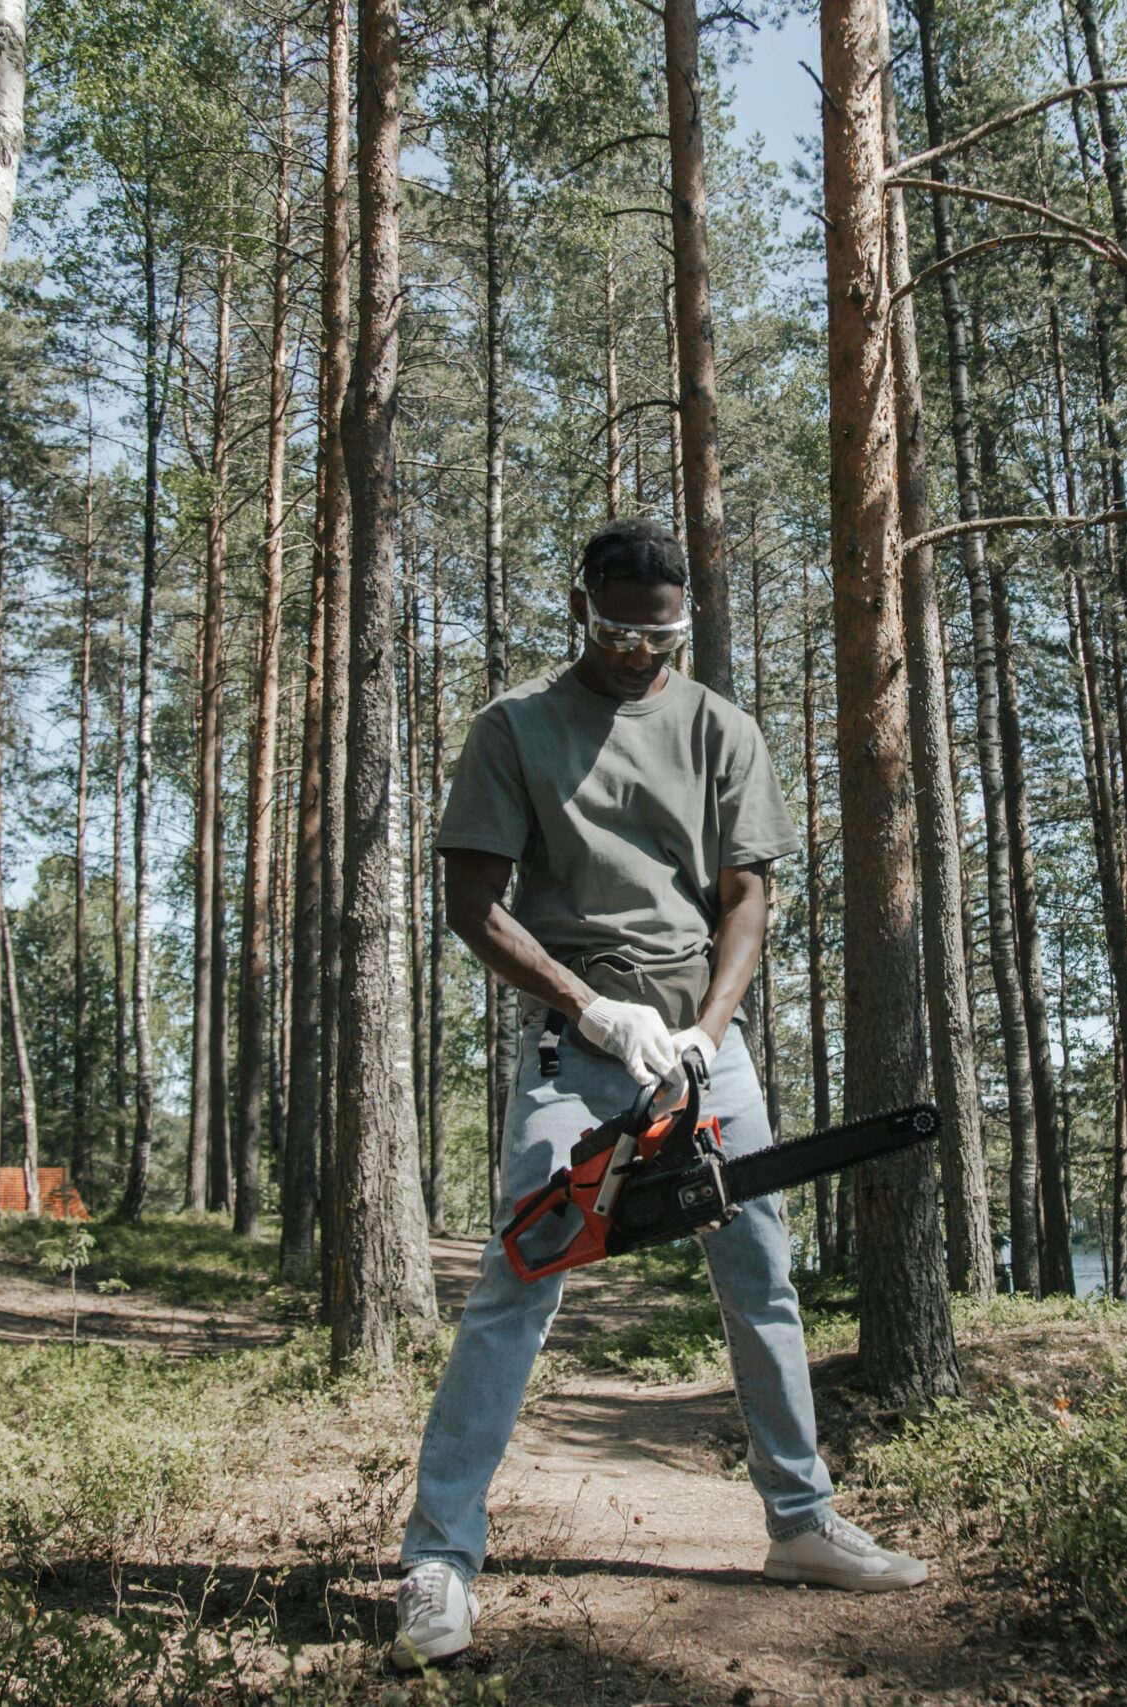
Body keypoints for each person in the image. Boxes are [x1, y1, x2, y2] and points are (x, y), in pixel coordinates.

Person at [390, 518, 926, 1672]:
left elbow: (746, 899)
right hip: (575, 1046)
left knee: (761, 1276)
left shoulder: (721, 729)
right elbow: (473, 906)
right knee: (519, 1276)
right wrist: (593, 1010)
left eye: (663, 633)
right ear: (580, 609)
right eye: (620, 630)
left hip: (700, 1046)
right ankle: (437, 1562)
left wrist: (705, 1033)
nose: (641, 650)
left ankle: (801, 1523)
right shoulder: (514, 729)